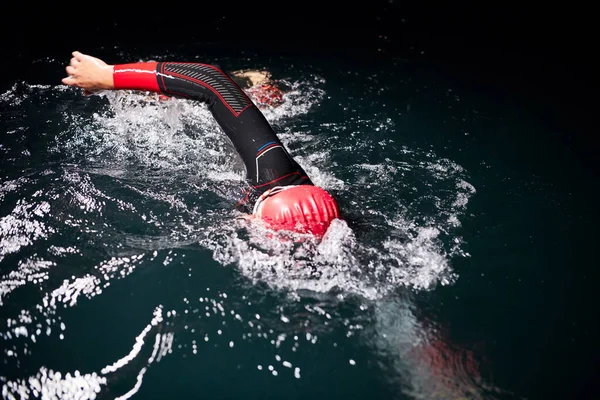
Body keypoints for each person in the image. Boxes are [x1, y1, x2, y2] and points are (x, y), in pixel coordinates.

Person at [61, 51, 340, 237]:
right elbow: (212, 81)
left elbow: (212, 80)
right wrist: (106, 76)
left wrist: (109, 76)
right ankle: (262, 92)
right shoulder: (274, 172)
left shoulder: (276, 185)